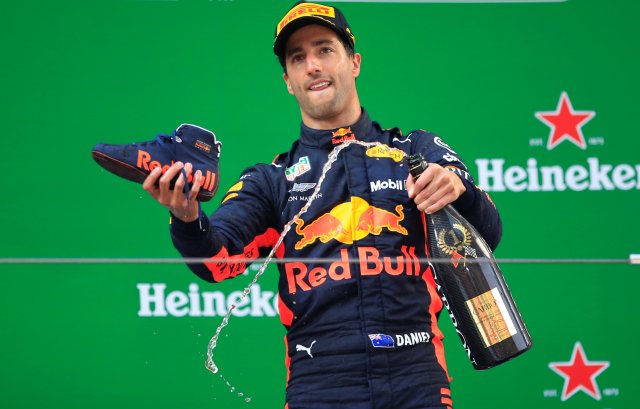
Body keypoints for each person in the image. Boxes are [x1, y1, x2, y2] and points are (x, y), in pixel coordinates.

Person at [143, 2, 502, 408]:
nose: (312, 65)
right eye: (298, 58)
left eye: (324, 49)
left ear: (354, 62)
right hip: (321, 382)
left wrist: (459, 189)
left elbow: (489, 233)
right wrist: (187, 217)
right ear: (288, 81)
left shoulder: (416, 150)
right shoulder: (270, 180)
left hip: (415, 376)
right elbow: (217, 262)